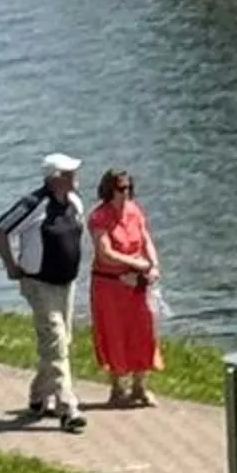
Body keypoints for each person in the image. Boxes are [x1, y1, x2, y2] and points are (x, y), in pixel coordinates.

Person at [0, 152, 87, 430]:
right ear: (54, 178)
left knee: (61, 342)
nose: (74, 177)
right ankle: (69, 408)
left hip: (66, 283)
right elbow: (0, 230)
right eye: (68, 174)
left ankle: (38, 396)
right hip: (39, 283)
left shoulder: (74, 202)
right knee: (55, 341)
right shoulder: (34, 204)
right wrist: (11, 265)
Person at [86, 168, 163, 406]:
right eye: (121, 189)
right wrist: (135, 262)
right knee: (115, 333)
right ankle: (118, 387)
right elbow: (105, 253)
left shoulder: (134, 211)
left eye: (129, 188)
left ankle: (140, 386)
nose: (126, 193)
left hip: (136, 284)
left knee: (143, 331)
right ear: (109, 190)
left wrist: (152, 264)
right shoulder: (99, 217)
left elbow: (146, 239)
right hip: (109, 285)